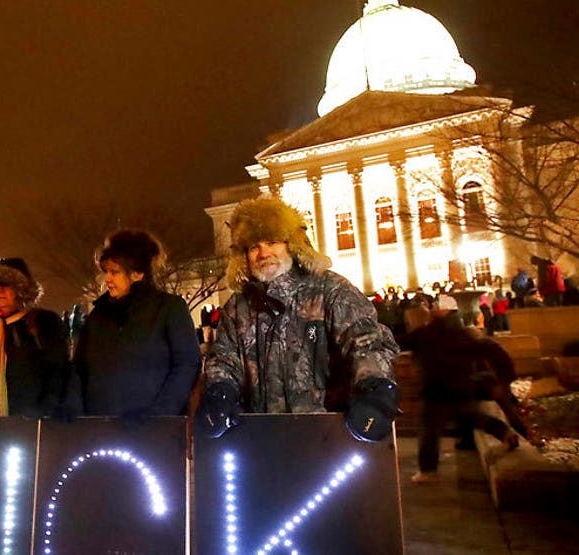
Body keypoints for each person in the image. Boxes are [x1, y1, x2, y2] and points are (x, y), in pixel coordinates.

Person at [198, 196, 401, 443]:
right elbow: (224, 359)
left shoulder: (330, 290)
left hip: (327, 432)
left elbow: (364, 341)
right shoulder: (237, 307)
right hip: (263, 436)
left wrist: (375, 389)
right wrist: (220, 392)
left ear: (291, 245)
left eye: (272, 242)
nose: (264, 253)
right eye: (254, 247)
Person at [65, 230, 201, 422]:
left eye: (115, 272)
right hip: (100, 426)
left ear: (137, 273)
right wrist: (73, 406)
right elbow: (79, 368)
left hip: (151, 427)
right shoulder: (98, 316)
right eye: (107, 272)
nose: (107, 279)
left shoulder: (168, 308)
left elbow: (187, 364)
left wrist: (160, 413)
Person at [398, 294, 520, 483]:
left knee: (429, 431)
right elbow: (492, 349)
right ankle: (504, 432)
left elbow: (395, 343)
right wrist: (502, 380)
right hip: (462, 386)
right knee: (472, 417)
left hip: (435, 390)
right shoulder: (462, 334)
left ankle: (428, 471)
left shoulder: (423, 335)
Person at [0, 258, 68, 418]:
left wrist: (43, 410)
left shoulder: (42, 321)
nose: (0, 291)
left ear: (21, 290)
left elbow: (58, 371)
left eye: (7, 285)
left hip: (28, 419)